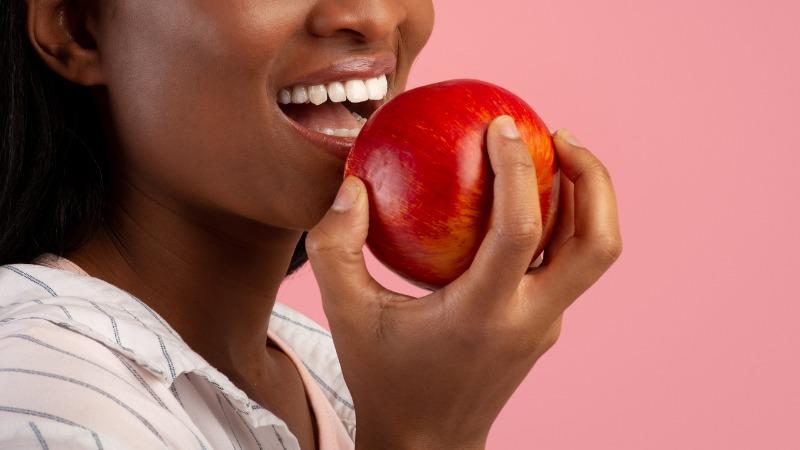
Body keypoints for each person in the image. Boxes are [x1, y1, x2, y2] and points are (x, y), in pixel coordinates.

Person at [0, 0, 622, 448]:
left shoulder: (321, 368)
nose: (374, 15)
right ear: (78, 27)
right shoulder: (46, 396)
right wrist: (425, 437)